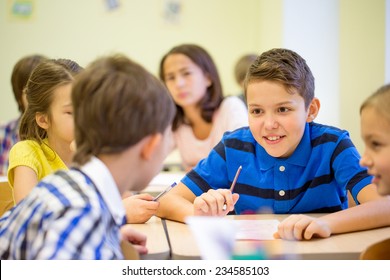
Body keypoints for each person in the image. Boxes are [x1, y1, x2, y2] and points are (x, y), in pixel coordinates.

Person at [157, 48, 390, 240]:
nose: (269, 124)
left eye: (283, 109)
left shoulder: (333, 145)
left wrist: (326, 224)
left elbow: (385, 206)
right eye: (257, 111)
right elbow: (168, 200)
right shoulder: (233, 147)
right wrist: (199, 214)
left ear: (311, 110)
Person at [0, 54, 176, 259]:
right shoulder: (79, 213)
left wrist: (105, 238)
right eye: (170, 135)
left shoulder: (67, 186)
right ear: (151, 145)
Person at [159, 44, 248, 171]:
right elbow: (150, 156)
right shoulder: (175, 121)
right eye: (170, 77)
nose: (178, 84)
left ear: (208, 78)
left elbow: (244, 160)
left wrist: (199, 173)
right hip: (195, 191)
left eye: (186, 73)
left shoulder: (230, 107)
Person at [7, 59, 83, 204]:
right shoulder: (27, 152)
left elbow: (125, 199)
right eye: (72, 112)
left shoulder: (95, 152)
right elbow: (30, 213)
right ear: (43, 120)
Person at [0, 54, 48, 176]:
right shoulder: (3, 133)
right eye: (29, 91)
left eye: (42, 90)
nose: (38, 98)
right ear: (19, 96)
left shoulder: (61, 132)